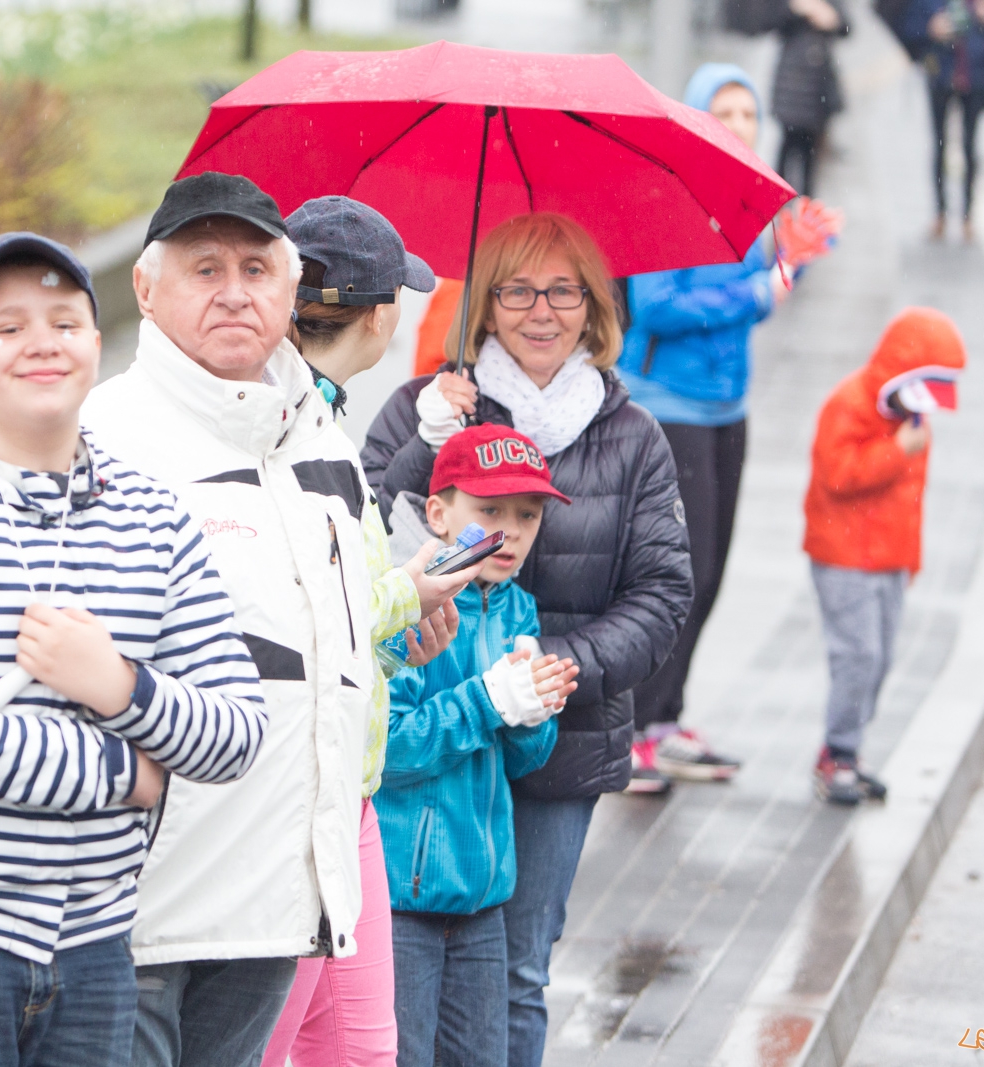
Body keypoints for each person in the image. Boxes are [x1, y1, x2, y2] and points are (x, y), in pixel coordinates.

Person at [0, 233, 269, 1066]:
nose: (42, 342)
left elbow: (240, 728)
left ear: (97, 349)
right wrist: (119, 769)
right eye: (7, 327)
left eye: (65, 322)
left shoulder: (153, 517)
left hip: (95, 943)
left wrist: (120, 685)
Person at [82, 173, 466, 1067]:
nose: (233, 292)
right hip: (143, 911)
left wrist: (386, 647)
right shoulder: (106, 436)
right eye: (204, 267)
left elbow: (320, 643)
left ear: (291, 292)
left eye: (257, 269)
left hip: (271, 905)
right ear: (146, 287)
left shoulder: (318, 438)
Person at [360, 211, 693, 1067]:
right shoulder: (428, 405)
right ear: (485, 301)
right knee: (406, 972)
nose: (539, 310)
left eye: (562, 290)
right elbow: (350, 527)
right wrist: (421, 444)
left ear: (595, 304)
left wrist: (552, 674)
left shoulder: (632, 435)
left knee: (515, 970)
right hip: (428, 736)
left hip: (560, 735)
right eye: (516, 289)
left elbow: (661, 592)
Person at [260, 195, 471, 1067]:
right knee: (280, 1045)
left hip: (351, 776)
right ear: (383, 316)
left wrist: (391, 631)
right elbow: (307, 595)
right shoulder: (286, 423)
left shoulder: (317, 412)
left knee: (356, 1047)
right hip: (303, 793)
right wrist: (405, 594)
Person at [619, 63, 836, 792]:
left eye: (749, 114)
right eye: (726, 112)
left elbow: (759, 283)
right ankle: (634, 731)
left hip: (728, 405)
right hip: (669, 406)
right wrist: (765, 288)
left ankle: (665, 717)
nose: (741, 126)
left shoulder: (747, 200)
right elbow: (659, 306)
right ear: (698, 118)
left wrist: (792, 256)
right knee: (679, 574)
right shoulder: (664, 197)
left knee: (713, 574)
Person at [378, 424, 578, 1067]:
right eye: (489, 511)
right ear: (438, 514)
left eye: (527, 514)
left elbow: (524, 761)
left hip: (486, 896)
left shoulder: (519, 608)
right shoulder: (404, 601)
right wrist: (489, 702)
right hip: (401, 897)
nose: (511, 531)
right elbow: (390, 749)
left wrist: (535, 712)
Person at [803, 307, 965, 804]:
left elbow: (909, 502)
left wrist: (909, 561)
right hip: (846, 556)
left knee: (881, 658)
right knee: (859, 655)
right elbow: (838, 476)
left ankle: (849, 747)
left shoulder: (914, 420)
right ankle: (839, 752)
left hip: (889, 559)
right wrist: (898, 450)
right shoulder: (851, 406)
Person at [902, 0, 984, 239]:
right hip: (940, 76)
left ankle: (968, 215)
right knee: (939, 145)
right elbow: (909, 28)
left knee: (970, 147)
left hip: (974, 78)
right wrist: (930, 28)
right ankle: (940, 212)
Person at [769, 0, 851, 197]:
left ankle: (806, 205)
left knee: (810, 150)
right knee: (787, 143)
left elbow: (847, 27)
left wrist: (831, 17)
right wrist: (798, 9)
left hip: (817, 82)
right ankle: (778, 198)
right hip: (791, 81)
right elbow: (771, 21)